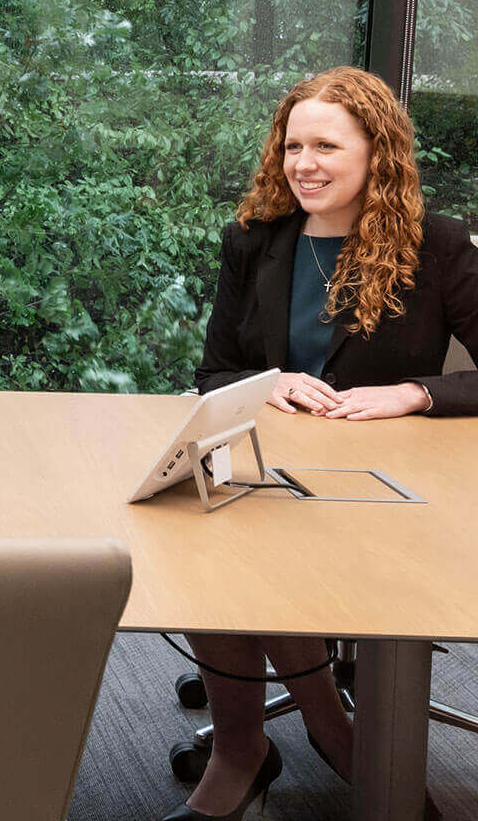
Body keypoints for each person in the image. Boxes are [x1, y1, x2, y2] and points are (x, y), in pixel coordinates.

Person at [178, 66, 477, 820]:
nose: (303, 163)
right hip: (273, 466)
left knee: (254, 539)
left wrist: (419, 391)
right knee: (204, 528)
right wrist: (267, 380)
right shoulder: (254, 239)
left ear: (379, 153)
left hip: (390, 490)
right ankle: (283, 740)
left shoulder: (436, 246)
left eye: (327, 147)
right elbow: (215, 369)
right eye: (292, 145)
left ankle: (296, 739)